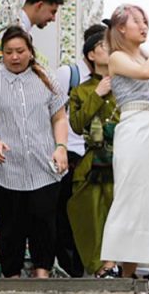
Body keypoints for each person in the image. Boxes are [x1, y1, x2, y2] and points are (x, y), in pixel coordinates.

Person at [0, 26, 69, 278]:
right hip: (5, 168)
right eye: (8, 52)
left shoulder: (46, 79)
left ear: (30, 52)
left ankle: (42, 275)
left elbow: (59, 117)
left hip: (44, 166)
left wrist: (61, 147)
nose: (14, 57)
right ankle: (12, 279)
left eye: (20, 51)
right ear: (2, 54)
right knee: (10, 225)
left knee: (44, 222)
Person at [99, 4, 149, 278]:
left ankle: (129, 272)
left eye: (145, 21)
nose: (144, 26)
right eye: (138, 21)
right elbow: (145, 73)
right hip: (133, 127)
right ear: (121, 28)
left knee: (147, 198)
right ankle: (109, 264)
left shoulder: (147, 56)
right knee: (129, 193)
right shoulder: (117, 57)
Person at [68, 23, 121, 277]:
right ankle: (101, 266)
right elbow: (77, 125)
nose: (109, 49)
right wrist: (98, 94)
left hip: (122, 158)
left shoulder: (125, 85)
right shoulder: (81, 90)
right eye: (103, 45)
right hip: (93, 161)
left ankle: (116, 264)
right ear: (91, 54)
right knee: (91, 213)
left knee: (119, 212)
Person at [51, 27, 102, 278]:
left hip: (97, 158)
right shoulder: (68, 74)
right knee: (66, 216)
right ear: (92, 51)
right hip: (70, 155)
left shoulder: (111, 79)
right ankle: (70, 270)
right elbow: (53, 112)